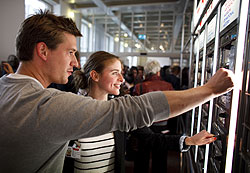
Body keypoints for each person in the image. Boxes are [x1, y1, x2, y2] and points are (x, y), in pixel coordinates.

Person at [0, 10, 234, 173]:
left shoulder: (6, 88)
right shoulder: (47, 105)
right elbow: (134, 110)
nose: (75, 63)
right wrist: (210, 89)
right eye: (70, 52)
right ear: (43, 50)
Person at [72, 52, 218, 173]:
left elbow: (150, 138)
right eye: (115, 73)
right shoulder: (71, 110)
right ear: (95, 76)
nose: (122, 79)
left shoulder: (120, 110)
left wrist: (189, 141)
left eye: (121, 73)